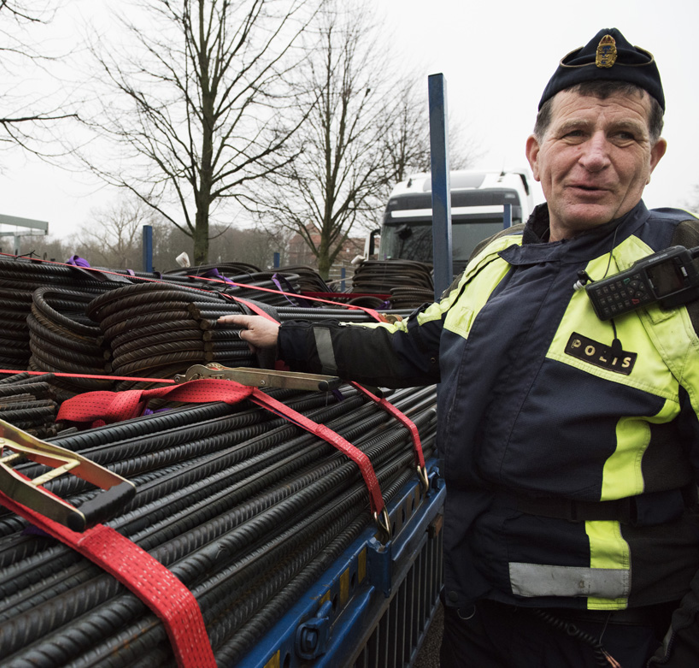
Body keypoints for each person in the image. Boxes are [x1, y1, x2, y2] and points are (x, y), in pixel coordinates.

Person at [221, 28, 699, 668]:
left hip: (599, 639)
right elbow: (407, 347)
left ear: (654, 156)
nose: (594, 156)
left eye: (623, 136)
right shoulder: (498, 263)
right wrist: (287, 339)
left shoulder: (680, 286)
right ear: (536, 152)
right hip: (474, 606)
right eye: (574, 132)